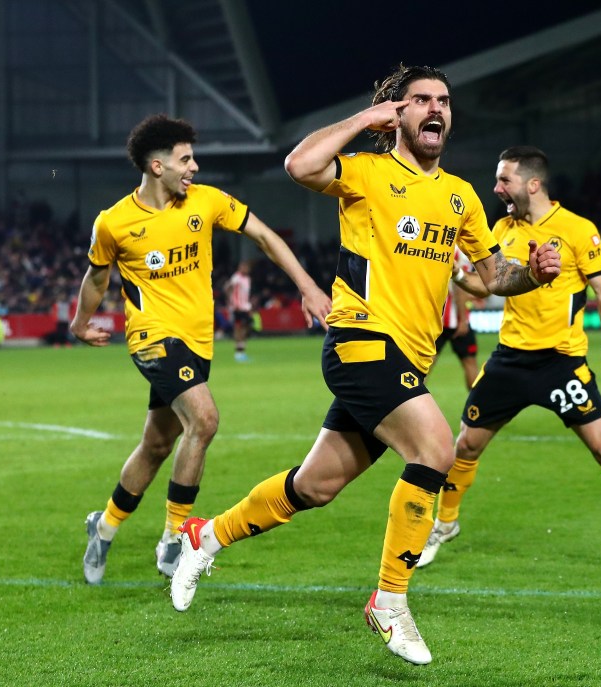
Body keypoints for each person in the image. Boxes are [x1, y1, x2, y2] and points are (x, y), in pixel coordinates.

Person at [169, 65, 560, 666]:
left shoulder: (459, 197)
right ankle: (390, 599)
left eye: (444, 101)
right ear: (398, 114)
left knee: (314, 486)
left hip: (411, 357)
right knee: (435, 450)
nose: (436, 109)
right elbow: (299, 166)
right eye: (420, 100)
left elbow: (487, 279)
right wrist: (362, 120)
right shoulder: (368, 173)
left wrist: (531, 271)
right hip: (362, 342)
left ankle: (206, 535)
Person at [71, 114, 331, 585]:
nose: (194, 166)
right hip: (151, 338)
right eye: (185, 158)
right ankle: (175, 539)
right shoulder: (114, 223)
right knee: (205, 420)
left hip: (197, 342)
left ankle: (104, 526)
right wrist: (80, 323)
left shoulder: (207, 202)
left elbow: (266, 237)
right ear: (156, 166)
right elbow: (96, 277)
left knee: (156, 445)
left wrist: (308, 287)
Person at [416, 146, 601, 577]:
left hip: (562, 363)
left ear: (532, 184)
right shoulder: (501, 228)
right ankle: (444, 525)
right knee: (464, 445)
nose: (497, 187)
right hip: (509, 361)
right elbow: (490, 286)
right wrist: (455, 274)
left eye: (505, 180)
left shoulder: (578, 230)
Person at [430, 249, 480, 390]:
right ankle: (476, 405)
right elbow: (460, 287)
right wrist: (463, 320)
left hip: (436, 318)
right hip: (456, 319)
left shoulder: (440, 245)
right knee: (469, 363)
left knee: (425, 365)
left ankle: (412, 403)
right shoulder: (459, 253)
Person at [224, 259, 253, 361]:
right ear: (240, 268)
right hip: (238, 308)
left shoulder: (247, 279)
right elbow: (227, 288)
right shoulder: (236, 277)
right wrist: (231, 302)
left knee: (246, 328)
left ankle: (242, 350)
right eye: (244, 267)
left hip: (245, 307)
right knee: (239, 328)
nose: (246, 269)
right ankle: (238, 353)